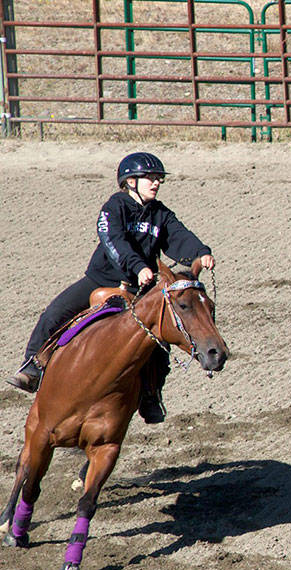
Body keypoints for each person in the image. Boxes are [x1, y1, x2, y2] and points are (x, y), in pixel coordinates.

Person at [5, 152, 216, 424]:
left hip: (143, 289)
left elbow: (179, 235)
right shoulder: (114, 207)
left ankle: (151, 395)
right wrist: (138, 267)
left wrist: (201, 252)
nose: (156, 183)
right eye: (150, 178)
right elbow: (114, 241)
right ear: (130, 181)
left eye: (158, 179)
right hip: (101, 279)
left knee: (159, 343)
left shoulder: (160, 214)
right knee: (54, 313)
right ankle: (31, 368)